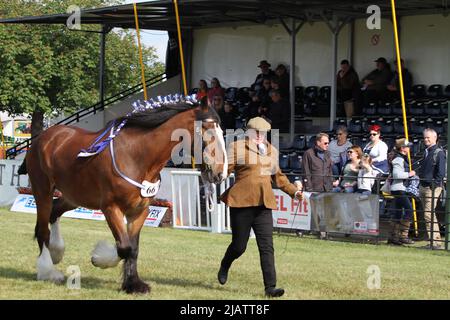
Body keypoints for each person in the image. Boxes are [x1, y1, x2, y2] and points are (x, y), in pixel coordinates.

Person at [218, 117, 303, 298]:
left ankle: (270, 288)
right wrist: (216, 173)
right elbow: (225, 170)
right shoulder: (237, 147)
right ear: (248, 132)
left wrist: (294, 192)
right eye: (257, 132)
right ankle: (225, 264)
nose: (260, 136)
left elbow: (279, 177)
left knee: (267, 247)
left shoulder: (271, 150)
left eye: (263, 133)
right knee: (239, 246)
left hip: (264, 204)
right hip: (242, 202)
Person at [418, 128, 446, 249]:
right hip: (424, 185)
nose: (426, 139)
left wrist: (433, 185)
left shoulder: (439, 152)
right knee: (428, 214)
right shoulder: (426, 151)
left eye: (428, 137)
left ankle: (435, 242)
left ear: (435, 138)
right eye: (425, 137)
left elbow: (441, 172)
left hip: (431, 187)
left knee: (429, 214)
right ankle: (434, 241)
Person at [387, 138, 416, 246]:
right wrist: (410, 174)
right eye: (407, 146)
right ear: (403, 148)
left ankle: (393, 237)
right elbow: (397, 175)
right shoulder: (399, 159)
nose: (409, 148)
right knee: (409, 210)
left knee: (398, 213)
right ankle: (403, 236)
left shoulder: (399, 158)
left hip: (397, 189)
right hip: (399, 189)